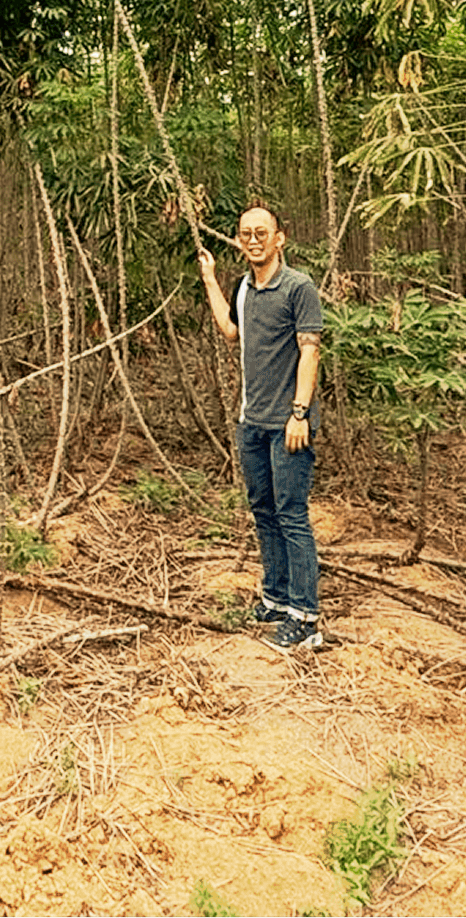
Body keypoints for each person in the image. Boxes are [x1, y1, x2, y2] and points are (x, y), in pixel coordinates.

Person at [198, 204, 326, 654]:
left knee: (291, 514)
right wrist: (210, 280)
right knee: (264, 510)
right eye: (245, 234)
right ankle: (276, 598)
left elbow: (310, 351)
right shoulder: (244, 288)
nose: (253, 240)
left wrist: (299, 413)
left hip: (288, 424)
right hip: (251, 422)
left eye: (261, 233)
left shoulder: (298, 287)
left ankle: (305, 617)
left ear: (279, 238)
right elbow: (230, 331)